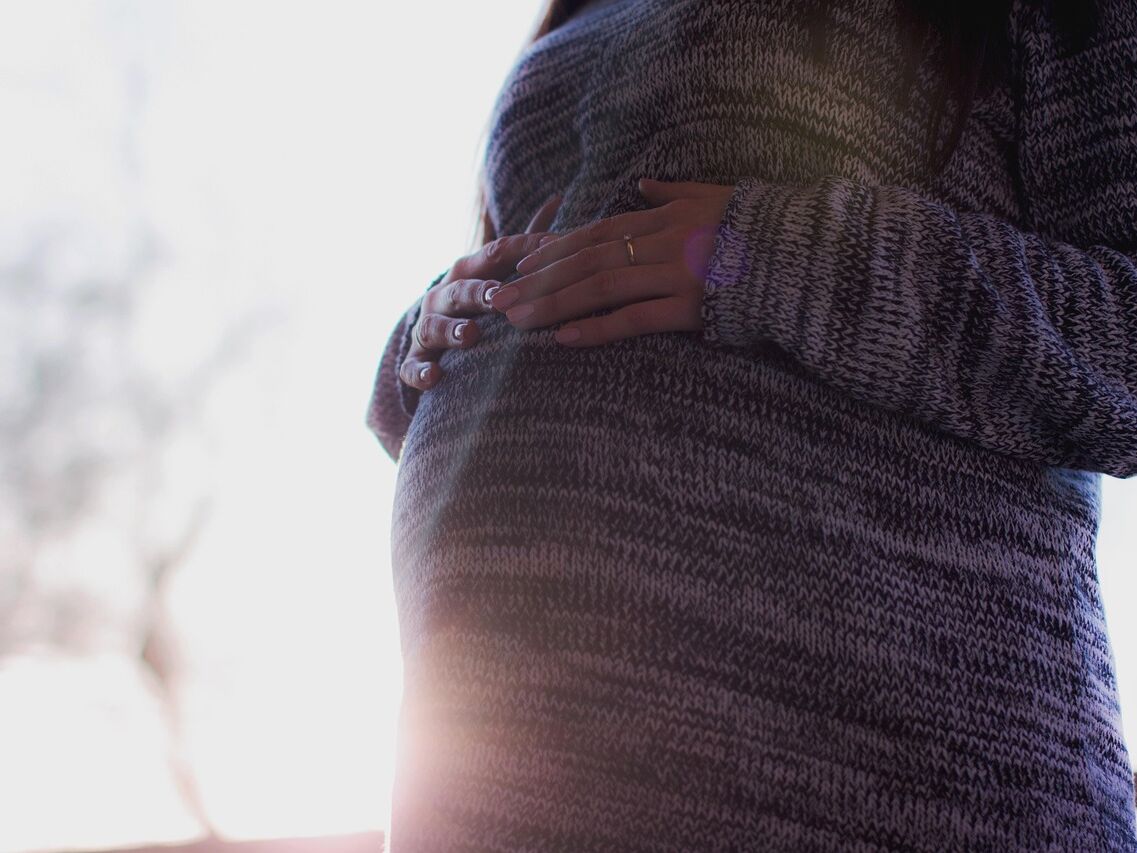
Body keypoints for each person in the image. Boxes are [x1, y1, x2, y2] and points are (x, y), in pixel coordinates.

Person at [365, 0, 1137, 848]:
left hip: (881, 762)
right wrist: (430, 337)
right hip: (498, 744)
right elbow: (564, 256)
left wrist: (765, 256)